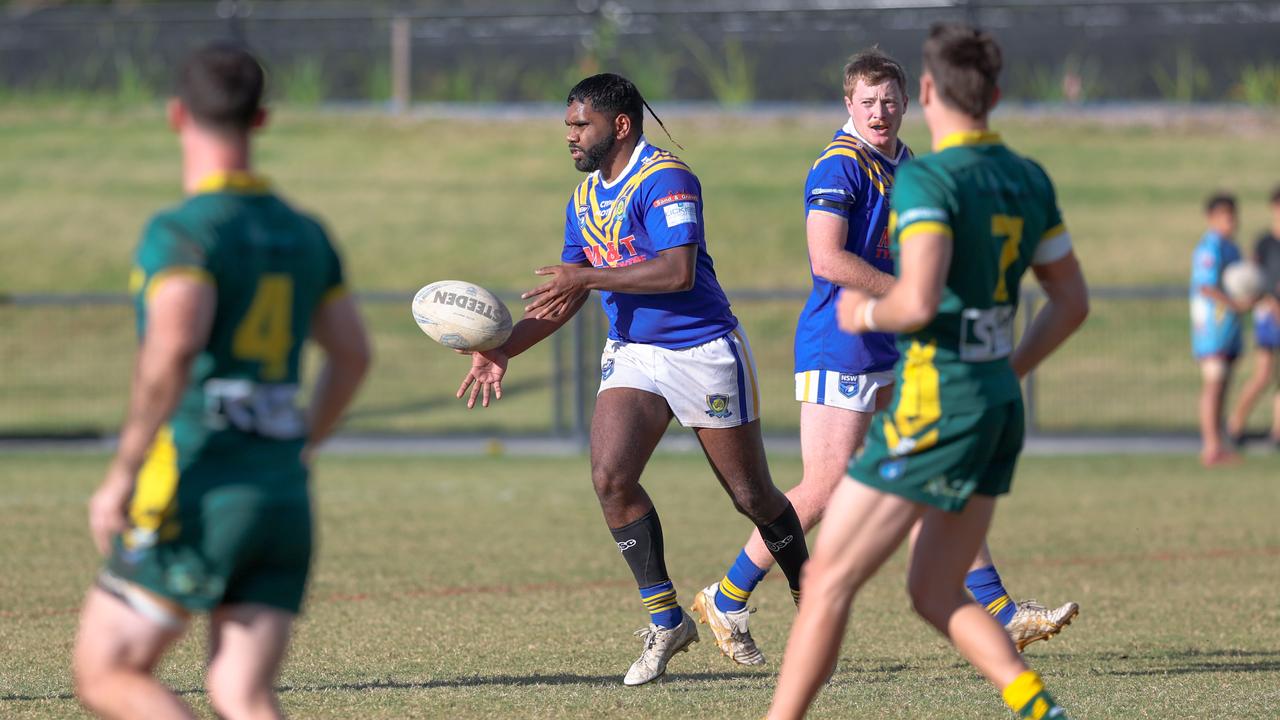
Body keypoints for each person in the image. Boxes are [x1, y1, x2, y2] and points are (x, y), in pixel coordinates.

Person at [690, 48, 1077, 667]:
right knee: (825, 484)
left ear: (907, 102)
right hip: (840, 341)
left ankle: (1003, 612)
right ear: (849, 104)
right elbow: (828, 259)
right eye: (867, 101)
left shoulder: (906, 164)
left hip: (893, 343)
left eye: (890, 100)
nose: (880, 111)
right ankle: (727, 597)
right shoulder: (838, 164)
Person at [455, 73, 810, 686]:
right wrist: (504, 349)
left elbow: (676, 271)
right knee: (610, 477)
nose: (569, 136)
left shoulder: (667, 179)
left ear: (619, 125)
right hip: (636, 353)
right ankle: (667, 619)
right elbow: (564, 295)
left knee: (752, 497)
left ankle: (815, 603)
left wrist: (587, 279)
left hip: (703, 351)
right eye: (568, 124)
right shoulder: (584, 199)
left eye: (579, 125)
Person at [72, 43, 372, 720]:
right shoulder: (305, 234)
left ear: (177, 115)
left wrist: (121, 473)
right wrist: (300, 445)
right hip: (281, 494)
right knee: (241, 692)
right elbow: (352, 356)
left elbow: (175, 344)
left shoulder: (185, 232)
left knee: (107, 671)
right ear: (260, 119)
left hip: (200, 482)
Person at [1191, 193, 1250, 466]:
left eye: (1233, 215)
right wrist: (1234, 304)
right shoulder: (1209, 247)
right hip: (1211, 328)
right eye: (1225, 216)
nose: (1230, 221)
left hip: (1229, 327)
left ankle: (1219, 441)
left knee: (1224, 383)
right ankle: (1210, 445)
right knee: (1213, 383)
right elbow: (1206, 286)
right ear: (1211, 218)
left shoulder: (1232, 248)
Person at [1228, 186, 1280, 448]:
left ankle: (1278, 431)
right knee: (1263, 374)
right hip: (1269, 315)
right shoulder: (1265, 242)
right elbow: (1253, 279)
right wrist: (1267, 301)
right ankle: (1235, 425)